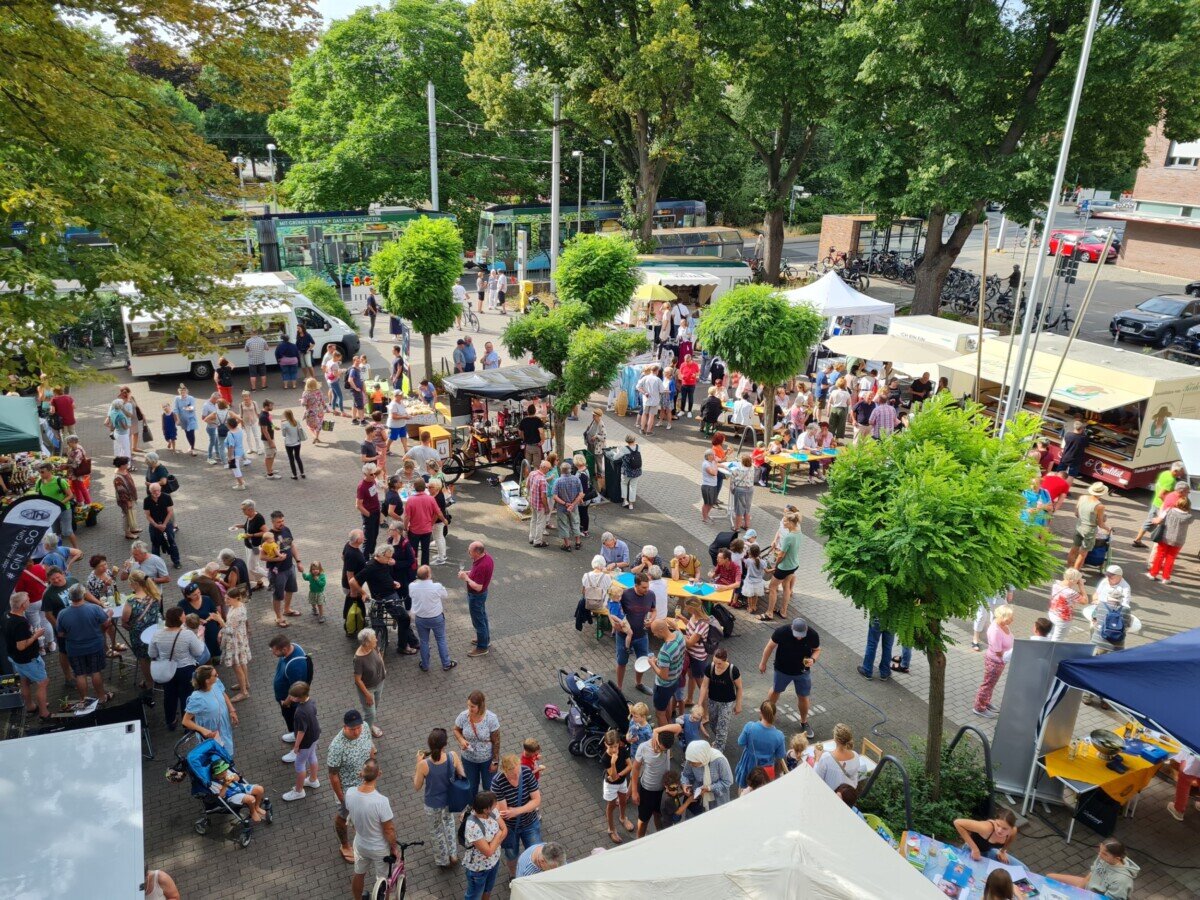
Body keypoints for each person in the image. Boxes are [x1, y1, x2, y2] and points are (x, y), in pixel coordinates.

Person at [328, 709, 377, 863]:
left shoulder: (365, 728)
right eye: (352, 729)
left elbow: (370, 749)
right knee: (343, 816)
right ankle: (344, 845)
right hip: (348, 791)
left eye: (358, 728)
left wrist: (373, 769)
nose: (356, 732)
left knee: (365, 812)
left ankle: (364, 838)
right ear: (345, 727)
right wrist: (342, 798)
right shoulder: (336, 747)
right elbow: (333, 776)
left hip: (365, 784)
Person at [345, 759, 400, 899]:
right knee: (383, 881)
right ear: (379, 774)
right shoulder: (381, 801)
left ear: (361, 774)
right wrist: (394, 847)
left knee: (359, 874)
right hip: (379, 848)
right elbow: (389, 830)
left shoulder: (350, 793)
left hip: (360, 844)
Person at [413, 727, 466, 868]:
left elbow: (417, 786)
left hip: (432, 804)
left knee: (436, 831)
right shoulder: (452, 756)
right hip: (449, 801)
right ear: (445, 744)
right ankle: (453, 855)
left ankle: (443, 860)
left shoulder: (424, 764)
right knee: (449, 824)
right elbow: (462, 775)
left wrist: (418, 763)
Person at [761, 616, 820, 739]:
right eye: (797, 635)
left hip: (802, 672)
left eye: (801, 635)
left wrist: (813, 659)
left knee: (803, 696)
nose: (799, 638)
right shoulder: (781, 632)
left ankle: (804, 722)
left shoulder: (813, 635)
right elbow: (769, 647)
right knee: (776, 690)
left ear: (806, 629)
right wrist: (763, 663)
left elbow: (817, 650)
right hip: (782, 670)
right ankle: (766, 715)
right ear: (792, 628)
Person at [149, 606, 206, 729]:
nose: (185, 616)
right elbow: (198, 652)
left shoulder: (157, 634)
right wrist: (200, 640)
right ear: (179, 619)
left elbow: (152, 654)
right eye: (183, 615)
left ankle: (171, 721)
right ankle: (187, 725)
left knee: (169, 696)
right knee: (187, 697)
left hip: (166, 670)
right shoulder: (187, 634)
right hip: (185, 669)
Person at [55, 583, 113, 703]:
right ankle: (102, 697)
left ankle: (84, 701)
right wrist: (110, 615)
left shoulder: (62, 614)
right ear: (83, 595)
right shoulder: (94, 608)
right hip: (95, 646)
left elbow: (60, 634)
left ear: (70, 597)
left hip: (74, 649)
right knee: (96, 672)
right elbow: (106, 623)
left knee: (80, 674)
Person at [491, 754, 542, 876]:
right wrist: (527, 807)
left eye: (518, 771)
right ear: (504, 771)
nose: (517, 776)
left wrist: (516, 811)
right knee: (512, 856)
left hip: (530, 823)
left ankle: (536, 875)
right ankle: (514, 875)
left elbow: (536, 800)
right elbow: (504, 812)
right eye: (513, 774)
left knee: (536, 853)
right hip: (510, 828)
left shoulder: (526, 772)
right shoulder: (497, 782)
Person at [6, 593, 50, 720]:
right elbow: (21, 646)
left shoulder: (7, 615)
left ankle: (30, 707)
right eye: (28, 600)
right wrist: (36, 635)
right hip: (28, 659)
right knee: (43, 682)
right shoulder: (20, 623)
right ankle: (44, 713)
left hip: (16, 658)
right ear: (23, 605)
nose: (30, 601)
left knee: (24, 681)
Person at [1046, 839, 1139, 900]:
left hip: (1097, 897)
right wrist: (1079, 888)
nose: (1100, 855)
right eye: (1100, 851)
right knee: (1049, 877)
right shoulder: (1104, 857)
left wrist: (1080, 896)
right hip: (1089, 886)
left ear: (1117, 858)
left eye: (1104, 854)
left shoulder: (1122, 880)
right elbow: (1092, 872)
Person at [182, 664, 237, 755]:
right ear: (207, 680)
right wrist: (203, 730)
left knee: (228, 756)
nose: (217, 675)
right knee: (218, 760)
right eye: (215, 675)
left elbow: (223, 693)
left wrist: (232, 710)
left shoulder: (216, 682)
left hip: (224, 729)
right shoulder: (197, 698)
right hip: (211, 737)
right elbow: (185, 721)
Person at [630, 727, 676, 837]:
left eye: (665, 750)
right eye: (660, 748)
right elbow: (635, 768)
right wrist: (634, 791)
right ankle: (640, 841)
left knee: (658, 815)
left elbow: (678, 727)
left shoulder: (666, 742)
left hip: (663, 790)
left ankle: (659, 838)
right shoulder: (644, 747)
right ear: (657, 739)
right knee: (643, 820)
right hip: (647, 790)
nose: (662, 751)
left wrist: (656, 730)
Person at [455, 691, 502, 797]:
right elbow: (456, 729)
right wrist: (461, 740)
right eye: (468, 705)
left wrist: (495, 761)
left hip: (487, 760)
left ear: (480, 706)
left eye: (472, 706)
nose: (469, 709)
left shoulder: (491, 718)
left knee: (489, 787)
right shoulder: (463, 716)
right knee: (471, 787)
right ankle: (472, 805)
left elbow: (496, 741)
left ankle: (488, 806)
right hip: (468, 759)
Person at [733, 700, 787, 792]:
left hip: (748, 764)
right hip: (766, 770)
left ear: (760, 713)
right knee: (762, 790)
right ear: (774, 715)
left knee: (744, 788)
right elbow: (780, 755)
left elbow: (740, 742)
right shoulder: (779, 735)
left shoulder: (749, 727)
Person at [410, 565, 456, 672]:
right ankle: (446, 664)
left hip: (421, 618)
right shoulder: (437, 586)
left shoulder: (412, 586)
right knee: (441, 640)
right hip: (436, 618)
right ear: (428, 575)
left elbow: (412, 595)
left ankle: (425, 665)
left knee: (424, 641)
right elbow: (445, 595)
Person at [462, 790, 506, 900]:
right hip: (479, 869)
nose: (496, 805)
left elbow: (505, 830)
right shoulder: (473, 826)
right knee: (474, 896)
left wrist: (493, 844)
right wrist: (498, 835)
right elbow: (488, 852)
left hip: (494, 861)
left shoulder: (493, 811)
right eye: (494, 804)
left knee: (488, 890)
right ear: (486, 809)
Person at [271, 635, 310, 756]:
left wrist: (286, 703)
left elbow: (295, 690)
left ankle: (297, 751)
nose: (273, 653)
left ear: (284, 649)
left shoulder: (295, 666)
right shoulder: (291, 648)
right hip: (286, 699)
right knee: (292, 723)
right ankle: (294, 733)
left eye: (275, 651)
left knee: (297, 724)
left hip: (291, 703)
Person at [973, 604, 1014, 718]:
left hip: (1001, 661)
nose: (1012, 620)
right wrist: (1011, 655)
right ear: (1001, 617)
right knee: (988, 684)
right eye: (1009, 618)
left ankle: (985, 702)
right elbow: (998, 652)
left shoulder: (1003, 625)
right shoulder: (995, 631)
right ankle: (979, 708)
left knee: (991, 684)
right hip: (995, 662)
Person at [282, 680, 321, 801]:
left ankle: (299, 791)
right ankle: (313, 780)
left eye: (293, 696)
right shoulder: (311, 701)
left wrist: (296, 746)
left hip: (305, 742)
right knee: (312, 756)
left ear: (299, 697)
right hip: (315, 736)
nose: (291, 698)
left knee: (299, 764)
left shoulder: (300, 712)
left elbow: (301, 731)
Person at [697, 648, 743, 751]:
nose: (717, 666)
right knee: (713, 723)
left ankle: (719, 749)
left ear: (726, 660)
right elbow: (704, 686)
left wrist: (738, 704)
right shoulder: (710, 668)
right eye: (715, 662)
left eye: (719, 663)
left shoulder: (733, 670)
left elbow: (739, 687)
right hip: (712, 700)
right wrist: (699, 704)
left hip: (727, 703)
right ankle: (719, 740)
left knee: (722, 727)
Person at [761, 512, 801, 621]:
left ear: (791, 522)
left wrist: (777, 565)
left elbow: (781, 555)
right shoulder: (799, 532)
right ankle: (783, 611)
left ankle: (769, 613)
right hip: (794, 564)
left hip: (784, 566)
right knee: (786, 586)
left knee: (772, 587)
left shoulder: (788, 537)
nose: (783, 523)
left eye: (785, 521)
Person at [647, 619, 686, 725]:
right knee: (667, 702)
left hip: (664, 686)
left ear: (661, 630)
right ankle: (669, 723)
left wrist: (652, 663)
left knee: (660, 713)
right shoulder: (679, 635)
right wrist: (659, 661)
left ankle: (665, 733)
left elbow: (663, 675)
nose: (654, 635)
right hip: (676, 680)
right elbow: (674, 657)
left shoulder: (665, 651)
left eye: (654, 632)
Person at [458, 542, 494, 658]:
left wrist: (466, 578)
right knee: (482, 617)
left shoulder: (481, 566)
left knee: (478, 621)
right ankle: (485, 639)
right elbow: (477, 573)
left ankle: (482, 647)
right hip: (482, 594)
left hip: (476, 596)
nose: (468, 552)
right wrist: (469, 573)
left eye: (470, 550)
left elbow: (478, 587)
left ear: (477, 552)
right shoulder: (487, 557)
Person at [1148, 495, 1192, 583]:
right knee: (1171, 558)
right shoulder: (1189, 517)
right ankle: (1166, 578)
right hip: (1178, 540)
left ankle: (1153, 574)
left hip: (1165, 537)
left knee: (1159, 555)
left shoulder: (1169, 510)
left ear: (1177, 503)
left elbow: (1160, 519)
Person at [352, 627, 387, 739]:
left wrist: (383, 668)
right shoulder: (358, 659)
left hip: (379, 683)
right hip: (368, 689)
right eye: (373, 639)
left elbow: (379, 654)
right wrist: (367, 694)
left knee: (374, 708)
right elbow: (357, 679)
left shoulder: (373, 646)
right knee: (370, 713)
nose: (376, 640)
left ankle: (370, 726)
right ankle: (365, 738)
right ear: (366, 643)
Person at [1066, 481, 1109, 570]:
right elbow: (1101, 524)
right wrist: (1108, 528)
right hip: (1089, 530)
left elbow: (1076, 514)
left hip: (1079, 526)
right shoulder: (1100, 506)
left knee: (1074, 549)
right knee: (1082, 554)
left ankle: (1069, 570)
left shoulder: (1082, 498)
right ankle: (1075, 574)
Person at [681, 740, 733, 811]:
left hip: (718, 798)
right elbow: (686, 775)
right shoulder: (692, 758)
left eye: (693, 763)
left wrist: (709, 788)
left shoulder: (719, 760)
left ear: (702, 759)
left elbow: (727, 782)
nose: (690, 764)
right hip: (698, 797)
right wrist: (684, 784)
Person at [953, 809, 1019, 864]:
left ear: (1011, 828)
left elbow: (1010, 839)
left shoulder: (1013, 831)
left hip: (987, 851)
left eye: (1004, 828)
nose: (999, 830)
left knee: (1022, 867)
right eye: (998, 825)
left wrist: (1002, 851)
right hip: (971, 850)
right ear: (995, 821)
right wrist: (974, 849)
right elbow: (957, 823)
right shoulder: (986, 828)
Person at [406, 478, 446, 568]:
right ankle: (425, 569)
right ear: (425, 487)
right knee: (425, 550)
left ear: (414, 487)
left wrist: (405, 527)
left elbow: (407, 517)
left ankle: (413, 568)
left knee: (413, 551)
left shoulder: (410, 500)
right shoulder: (431, 499)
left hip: (414, 530)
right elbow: (438, 512)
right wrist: (444, 520)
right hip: (427, 530)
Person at [143, 482, 181, 570]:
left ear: (160, 489)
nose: (156, 493)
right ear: (150, 491)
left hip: (166, 524)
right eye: (154, 491)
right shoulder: (147, 500)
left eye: (158, 490)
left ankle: (176, 561)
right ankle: (156, 564)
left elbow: (170, 512)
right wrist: (156, 525)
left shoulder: (166, 497)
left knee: (171, 542)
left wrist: (164, 524)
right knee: (155, 545)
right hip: (154, 525)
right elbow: (148, 515)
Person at [813, 722, 860, 791]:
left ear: (835, 739)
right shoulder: (855, 755)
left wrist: (817, 758)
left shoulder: (826, 758)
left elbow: (816, 778)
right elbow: (855, 778)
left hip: (830, 793)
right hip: (846, 793)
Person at [1048, 568, 1086, 641]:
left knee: (1050, 635)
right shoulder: (1071, 593)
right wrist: (1081, 586)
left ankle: (1045, 645)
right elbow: (1085, 601)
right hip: (1062, 619)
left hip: (1052, 613)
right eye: (1077, 580)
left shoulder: (1055, 584)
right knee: (1057, 640)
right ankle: (1052, 648)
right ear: (1072, 580)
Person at [553, 462, 584, 551]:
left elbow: (555, 496)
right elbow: (581, 494)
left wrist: (565, 504)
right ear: (570, 469)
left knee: (563, 525)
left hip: (562, 508)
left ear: (561, 470)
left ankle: (567, 545)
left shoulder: (558, 481)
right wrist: (573, 504)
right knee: (575, 522)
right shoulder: (576, 479)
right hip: (574, 507)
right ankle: (578, 542)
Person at [113, 456, 142, 540]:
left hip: (130, 498)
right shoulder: (118, 478)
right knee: (126, 515)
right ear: (122, 465)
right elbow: (121, 492)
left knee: (131, 513)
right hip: (125, 500)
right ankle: (127, 533)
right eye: (126, 464)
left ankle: (133, 528)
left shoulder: (125, 471)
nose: (128, 465)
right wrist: (127, 501)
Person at [300, 377, 328, 445]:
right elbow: (323, 401)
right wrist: (326, 408)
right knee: (318, 424)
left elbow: (303, 403)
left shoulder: (306, 393)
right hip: (320, 411)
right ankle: (317, 437)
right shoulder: (319, 391)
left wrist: (301, 400)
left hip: (311, 412)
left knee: (310, 425)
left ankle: (314, 436)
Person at [619, 434, 643, 510]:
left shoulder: (624, 448)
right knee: (633, 486)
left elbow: (616, 457)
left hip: (627, 472)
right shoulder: (638, 447)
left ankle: (625, 501)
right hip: (637, 471)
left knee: (624, 484)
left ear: (626, 440)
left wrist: (619, 451)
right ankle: (631, 504)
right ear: (634, 440)